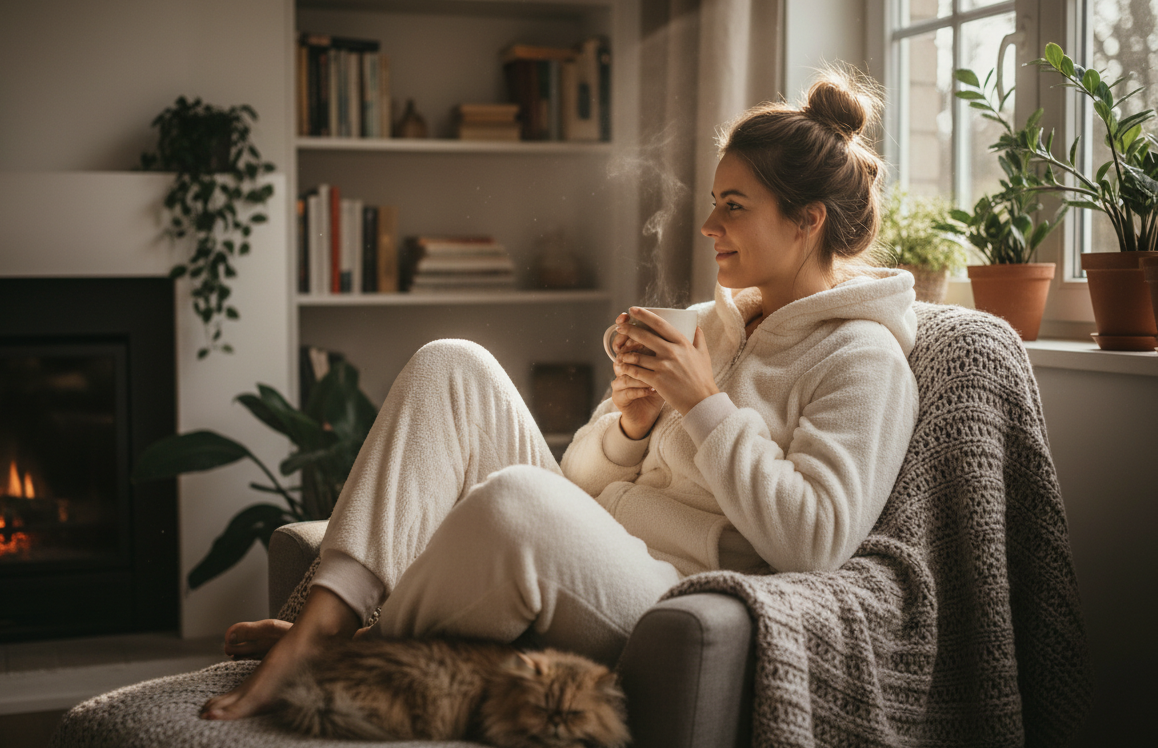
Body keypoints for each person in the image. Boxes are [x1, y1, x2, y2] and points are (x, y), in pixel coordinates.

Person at [200, 68, 919, 721]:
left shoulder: (863, 359)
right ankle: (325, 623)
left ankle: (352, 648)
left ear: (807, 220)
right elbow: (579, 483)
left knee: (516, 499)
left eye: (734, 206)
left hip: (674, 592)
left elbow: (817, 539)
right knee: (453, 363)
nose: (708, 227)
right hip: (599, 542)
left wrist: (703, 405)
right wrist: (631, 426)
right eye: (711, 204)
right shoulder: (711, 324)